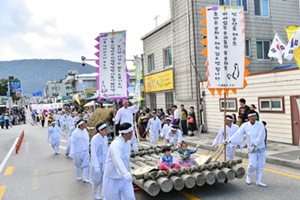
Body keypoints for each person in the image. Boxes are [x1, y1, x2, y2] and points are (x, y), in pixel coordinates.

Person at [226, 110, 267, 187]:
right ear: (248, 117)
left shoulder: (260, 124)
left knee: (260, 165)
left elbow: (261, 136)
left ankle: (259, 180)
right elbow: (238, 134)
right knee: (253, 165)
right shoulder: (245, 125)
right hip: (251, 150)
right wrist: (230, 140)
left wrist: (255, 144)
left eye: (255, 116)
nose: (254, 118)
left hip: (261, 148)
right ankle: (249, 176)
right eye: (252, 116)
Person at [102, 123, 136, 200]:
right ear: (125, 134)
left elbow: (126, 159)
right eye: (130, 132)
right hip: (112, 178)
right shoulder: (116, 144)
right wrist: (125, 172)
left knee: (130, 198)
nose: (132, 134)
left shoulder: (127, 143)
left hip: (124, 178)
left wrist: (128, 169)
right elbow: (117, 160)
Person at [90, 122, 109, 200]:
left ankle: (104, 196)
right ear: (100, 130)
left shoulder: (105, 138)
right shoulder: (95, 138)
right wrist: (96, 165)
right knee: (97, 181)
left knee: (104, 180)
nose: (106, 131)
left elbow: (106, 150)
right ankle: (95, 192)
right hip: (97, 163)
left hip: (104, 162)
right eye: (105, 130)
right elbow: (93, 152)